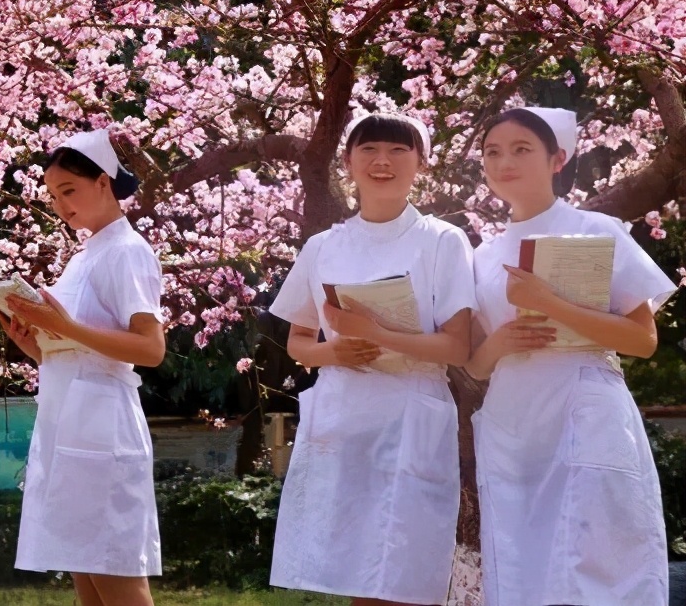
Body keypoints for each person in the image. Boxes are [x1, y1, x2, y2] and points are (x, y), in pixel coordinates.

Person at [468, 107, 677, 606]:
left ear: (557, 158)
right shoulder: (480, 255)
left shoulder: (596, 230)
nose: (505, 162)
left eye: (521, 150)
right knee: (519, 557)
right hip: (513, 418)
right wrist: (498, 344)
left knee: (596, 556)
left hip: (585, 405)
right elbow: (473, 364)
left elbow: (642, 340)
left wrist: (552, 304)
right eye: (493, 153)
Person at [267, 113, 477, 606]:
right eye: (369, 150)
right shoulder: (323, 247)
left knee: (404, 572)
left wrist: (377, 332)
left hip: (412, 414)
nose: (382, 162)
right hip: (346, 420)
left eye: (399, 151)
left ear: (421, 164)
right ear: (347, 162)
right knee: (356, 573)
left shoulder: (442, 241)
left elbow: (457, 347)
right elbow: (299, 341)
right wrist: (331, 352)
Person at [5, 129, 165, 606]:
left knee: (113, 570)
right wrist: (36, 345)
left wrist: (64, 327)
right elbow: (79, 348)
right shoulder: (85, 255)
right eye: (53, 196)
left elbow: (150, 348)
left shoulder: (127, 251)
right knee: (85, 573)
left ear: (103, 182)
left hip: (102, 427)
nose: (60, 205)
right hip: (66, 419)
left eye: (68, 191)